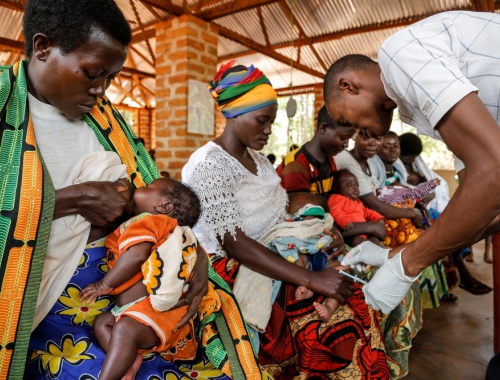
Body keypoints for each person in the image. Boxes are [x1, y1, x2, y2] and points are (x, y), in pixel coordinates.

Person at [3, 1, 264, 379]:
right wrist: (69, 200)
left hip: (126, 292)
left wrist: (196, 256)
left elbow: (160, 202)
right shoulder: (4, 106)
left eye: (109, 78)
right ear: (43, 47)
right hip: (40, 309)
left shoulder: (108, 122)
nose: (100, 90)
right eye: (92, 73)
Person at [182, 61, 390, 379]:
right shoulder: (209, 165)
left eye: (271, 122)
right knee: (327, 313)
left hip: (279, 247)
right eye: (262, 121)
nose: (268, 130)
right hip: (234, 264)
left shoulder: (259, 161)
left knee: (352, 288)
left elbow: (281, 215)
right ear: (233, 114)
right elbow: (234, 243)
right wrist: (309, 278)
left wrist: (319, 234)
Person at [324, 11, 500, 314]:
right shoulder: (417, 105)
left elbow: (493, 176)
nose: (355, 132)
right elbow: (485, 204)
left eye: (344, 119)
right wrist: (397, 255)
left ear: (347, 86)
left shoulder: (399, 54)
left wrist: (407, 263)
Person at [79, 178, 219, 380]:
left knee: (124, 329)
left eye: (147, 187)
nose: (138, 187)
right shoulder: (164, 229)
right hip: (137, 312)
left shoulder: (150, 221)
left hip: (152, 313)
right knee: (104, 322)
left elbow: (136, 256)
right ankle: (129, 360)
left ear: (163, 206)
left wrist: (104, 284)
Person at [398, 133, 492, 295]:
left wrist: (430, 194)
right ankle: (461, 277)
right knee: (445, 235)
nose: (412, 161)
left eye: (414, 158)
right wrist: (419, 196)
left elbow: (431, 184)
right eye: (408, 159)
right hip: (412, 210)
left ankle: (451, 283)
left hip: (423, 208)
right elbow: (400, 191)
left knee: (452, 231)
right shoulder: (396, 166)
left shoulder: (414, 165)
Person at [277, 105, 357, 199]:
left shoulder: (329, 160)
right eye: (343, 138)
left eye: (348, 139)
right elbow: (300, 209)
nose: (346, 145)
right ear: (324, 128)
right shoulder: (296, 164)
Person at [328, 170, 386, 247]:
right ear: (336, 189)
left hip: (364, 232)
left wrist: (379, 218)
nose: (355, 187)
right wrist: (344, 221)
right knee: (360, 242)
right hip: (352, 233)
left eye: (357, 185)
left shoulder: (357, 201)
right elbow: (334, 211)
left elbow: (366, 211)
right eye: (349, 184)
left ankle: (381, 253)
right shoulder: (336, 198)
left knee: (375, 239)